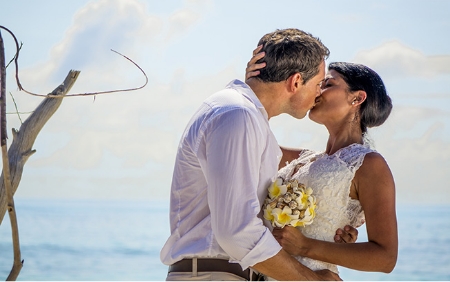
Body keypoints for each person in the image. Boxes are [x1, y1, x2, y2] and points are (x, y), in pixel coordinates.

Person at [160, 28, 357, 281]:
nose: (320, 93)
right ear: (296, 82)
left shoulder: (244, 116)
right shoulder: (237, 115)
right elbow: (237, 231)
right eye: (319, 84)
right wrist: (312, 280)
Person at [246, 56, 398, 277]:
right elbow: (251, 138)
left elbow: (385, 258)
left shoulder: (369, 165)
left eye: (327, 84)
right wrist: (256, 84)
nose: (317, 91)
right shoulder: (301, 159)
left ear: (357, 98)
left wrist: (305, 246)